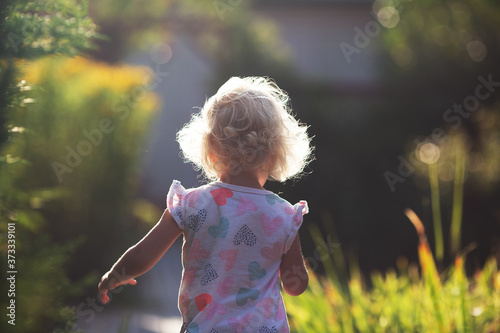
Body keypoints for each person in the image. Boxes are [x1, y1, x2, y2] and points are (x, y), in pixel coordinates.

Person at [98, 76, 314, 332]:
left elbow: (144, 254)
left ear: (210, 148)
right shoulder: (283, 215)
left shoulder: (190, 204)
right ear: (276, 152)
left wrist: (115, 274)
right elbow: (295, 285)